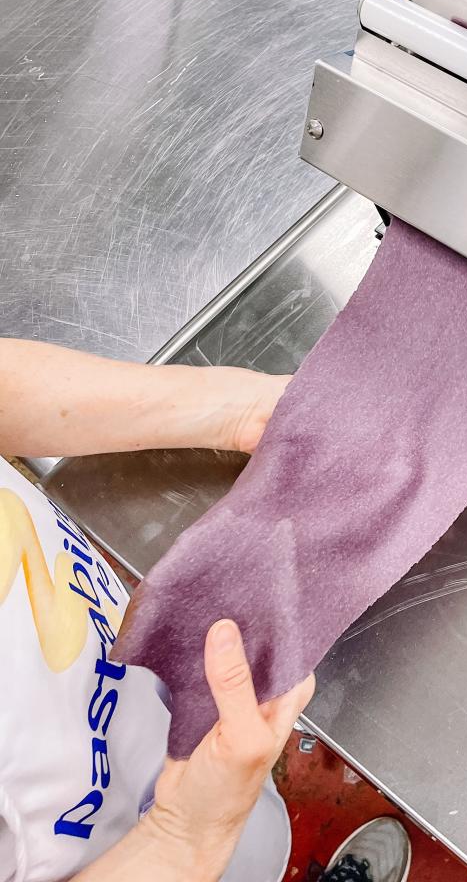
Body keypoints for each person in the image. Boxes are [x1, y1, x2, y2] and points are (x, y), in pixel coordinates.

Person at [0, 339, 411, 882]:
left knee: (250, 833)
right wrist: (186, 838)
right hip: (132, 858)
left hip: (137, 686)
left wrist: (239, 410)